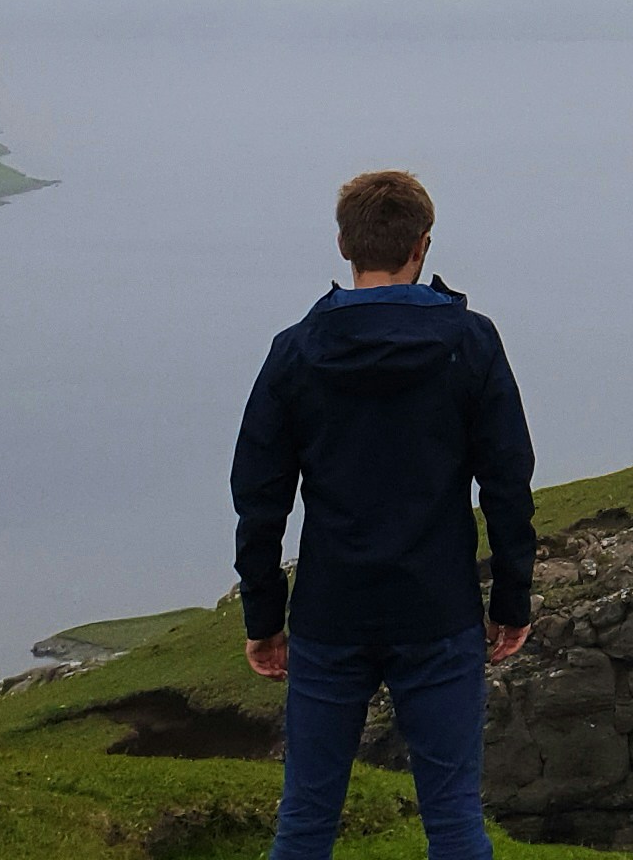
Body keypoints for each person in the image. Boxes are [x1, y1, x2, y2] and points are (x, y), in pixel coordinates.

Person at [229, 168, 537, 860]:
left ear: (345, 245)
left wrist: (263, 617)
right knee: (455, 821)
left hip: (330, 613)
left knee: (306, 820)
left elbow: (259, 494)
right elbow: (508, 482)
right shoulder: (471, 342)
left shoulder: (297, 351)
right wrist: (512, 598)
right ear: (422, 245)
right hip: (438, 610)